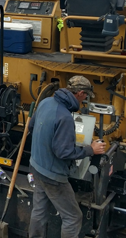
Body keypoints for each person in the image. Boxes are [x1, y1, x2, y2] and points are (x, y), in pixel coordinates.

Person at [28, 75, 106, 238]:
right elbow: (63, 152)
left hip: (36, 166)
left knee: (39, 211)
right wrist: (90, 150)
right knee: (72, 217)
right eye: (85, 96)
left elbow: (31, 126)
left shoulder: (45, 102)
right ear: (80, 93)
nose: (84, 100)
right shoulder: (64, 117)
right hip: (53, 176)